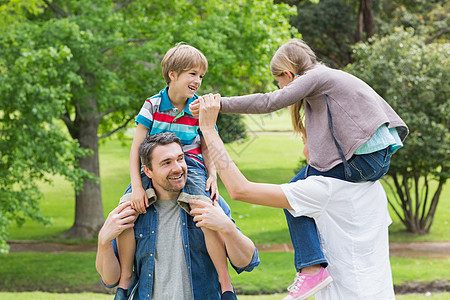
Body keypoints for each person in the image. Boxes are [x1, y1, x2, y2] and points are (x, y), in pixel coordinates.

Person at [190, 39, 408, 299]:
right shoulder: (372, 192)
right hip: (374, 165)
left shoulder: (314, 78)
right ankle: (312, 267)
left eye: (279, 80)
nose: (309, 144)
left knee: (294, 193)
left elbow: (240, 187)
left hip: (362, 163)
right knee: (295, 193)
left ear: (289, 74)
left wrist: (216, 110)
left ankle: (311, 270)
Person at [116, 43, 236, 299]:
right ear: (173, 74)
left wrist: (212, 174)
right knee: (125, 211)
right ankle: (125, 280)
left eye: (201, 76)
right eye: (192, 74)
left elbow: (206, 145)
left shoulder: (197, 108)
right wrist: (137, 186)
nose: (198, 80)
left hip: (190, 165)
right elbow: (136, 149)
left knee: (205, 211)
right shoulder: (153, 104)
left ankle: (226, 285)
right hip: (153, 166)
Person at [96, 132, 259, 300]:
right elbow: (110, 279)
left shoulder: (206, 200)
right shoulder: (134, 211)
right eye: (166, 163)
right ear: (148, 171)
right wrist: (103, 241)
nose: (178, 168)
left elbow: (246, 261)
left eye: (180, 159)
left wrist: (227, 227)